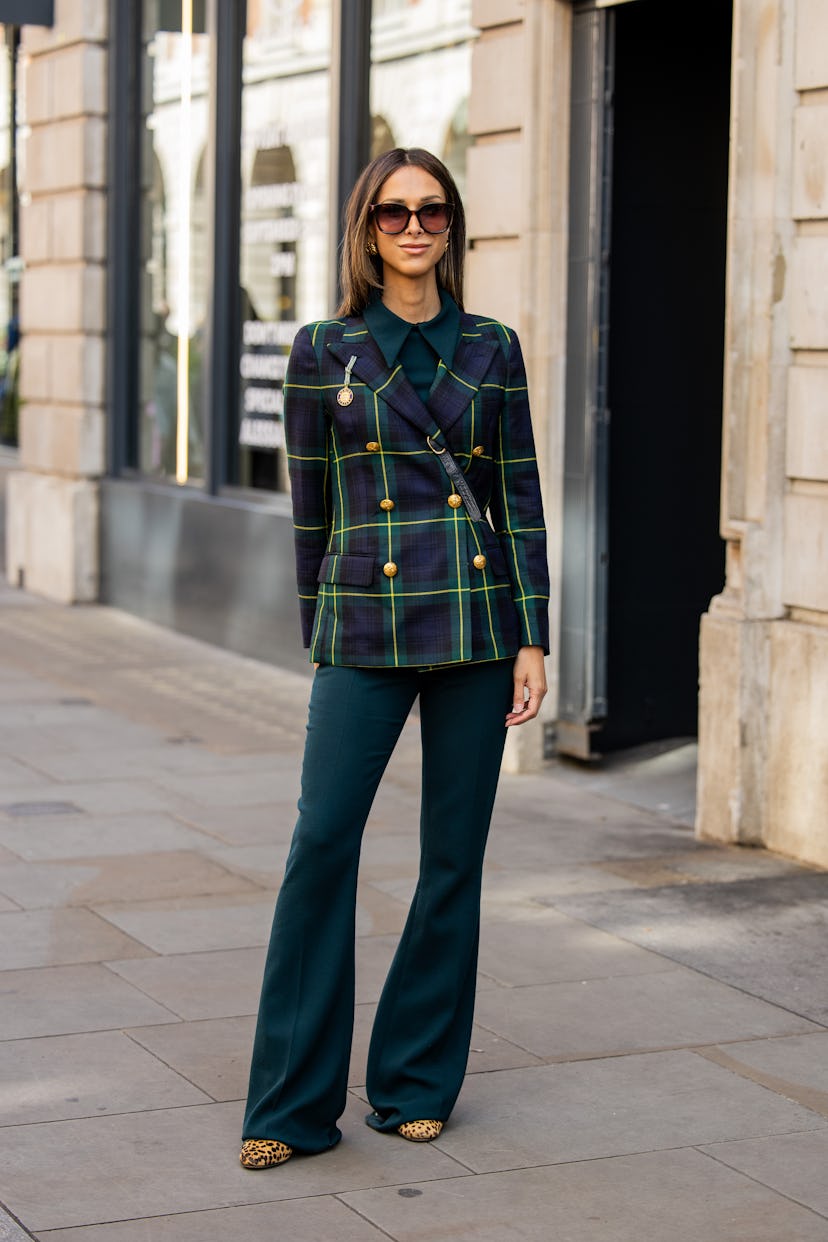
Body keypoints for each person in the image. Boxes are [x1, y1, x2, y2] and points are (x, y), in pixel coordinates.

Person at [240, 148, 549, 1169]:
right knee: (321, 845)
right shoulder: (321, 348)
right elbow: (309, 513)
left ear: (452, 227)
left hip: (471, 625)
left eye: (432, 211)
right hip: (363, 632)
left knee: (451, 862)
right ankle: (290, 1105)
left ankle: (416, 1080)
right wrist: (318, 633)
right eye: (393, 213)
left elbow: (522, 505)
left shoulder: (493, 347)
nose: (414, 228)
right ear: (366, 230)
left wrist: (533, 634)